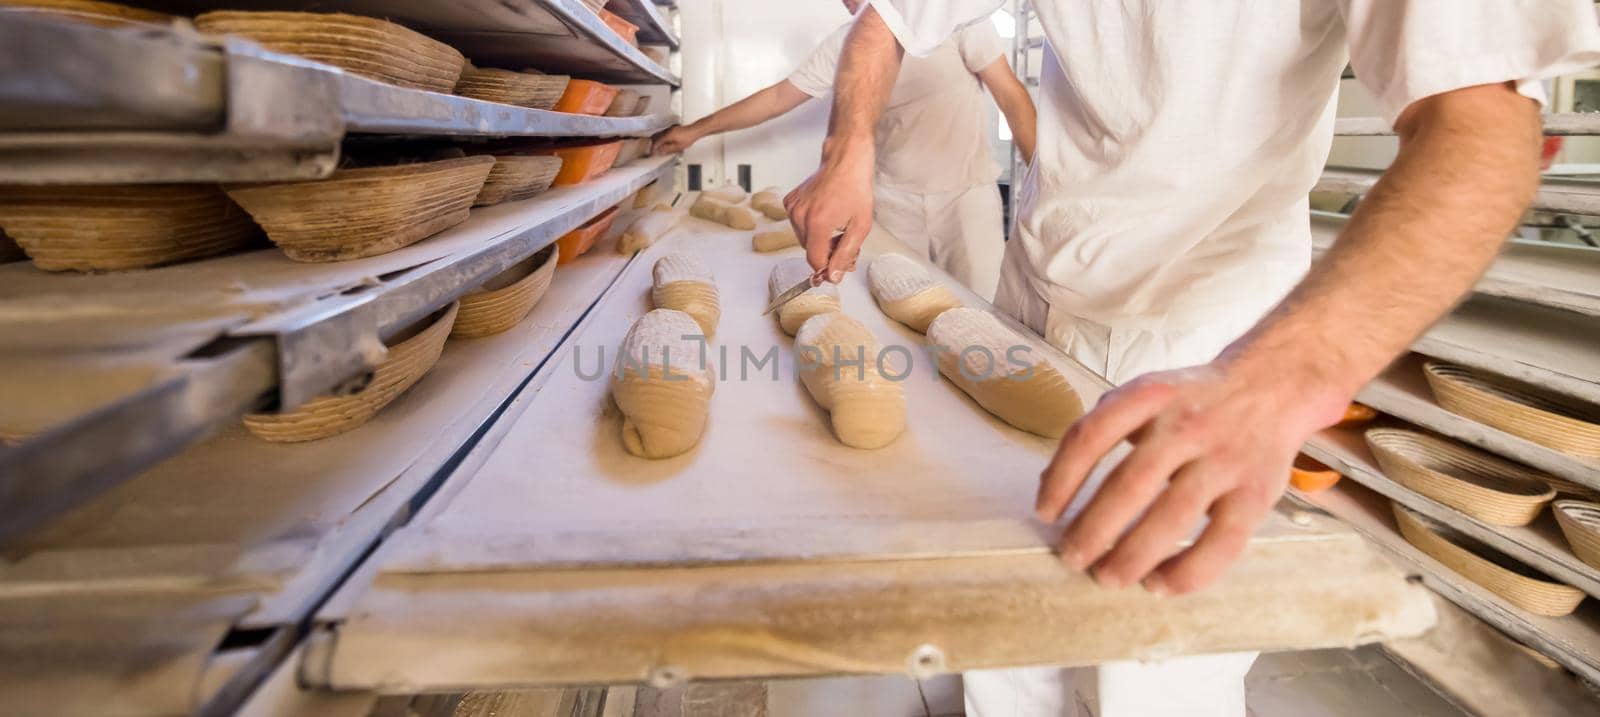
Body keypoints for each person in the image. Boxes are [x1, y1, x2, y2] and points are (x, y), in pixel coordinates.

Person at [782, 1, 1600, 714]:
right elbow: (886, 18)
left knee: (1153, 658)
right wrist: (847, 147)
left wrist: (1277, 383)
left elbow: (1484, 131)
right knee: (1006, 613)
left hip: (1208, 335)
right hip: (1039, 283)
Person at [652, 0, 1035, 300]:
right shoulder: (843, 45)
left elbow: (1013, 99)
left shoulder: (956, 22)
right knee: (898, 302)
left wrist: (1045, 186)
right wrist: (693, 132)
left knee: (982, 304)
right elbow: (776, 98)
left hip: (966, 195)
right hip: (892, 199)